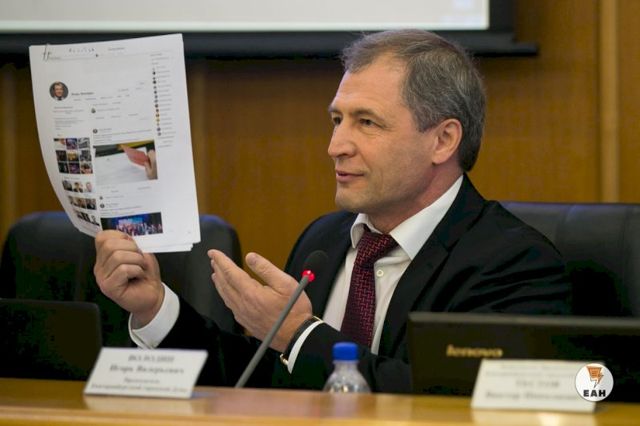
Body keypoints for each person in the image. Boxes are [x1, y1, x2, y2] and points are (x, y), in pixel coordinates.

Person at [94, 29, 570, 393]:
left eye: (367, 123)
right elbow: (262, 381)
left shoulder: (513, 263)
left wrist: (300, 334)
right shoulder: (324, 239)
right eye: (337, 120)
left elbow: (448, 400)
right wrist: (155, 308)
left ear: (443, 140)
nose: (335, 146)